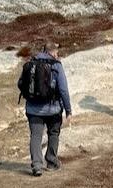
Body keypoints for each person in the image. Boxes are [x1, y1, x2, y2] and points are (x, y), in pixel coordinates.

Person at [17, 40, 72, 176]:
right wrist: (68, 110)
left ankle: (37, 165)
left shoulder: (30, 64)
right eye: (56, 52)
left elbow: (20, 83)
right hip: (53, 110)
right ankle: (52, 162)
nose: (57, 54)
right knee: (53, 133)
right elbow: (63, 89)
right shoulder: (56, 65)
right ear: (52, 52)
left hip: (33, 109)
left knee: (35, 136)